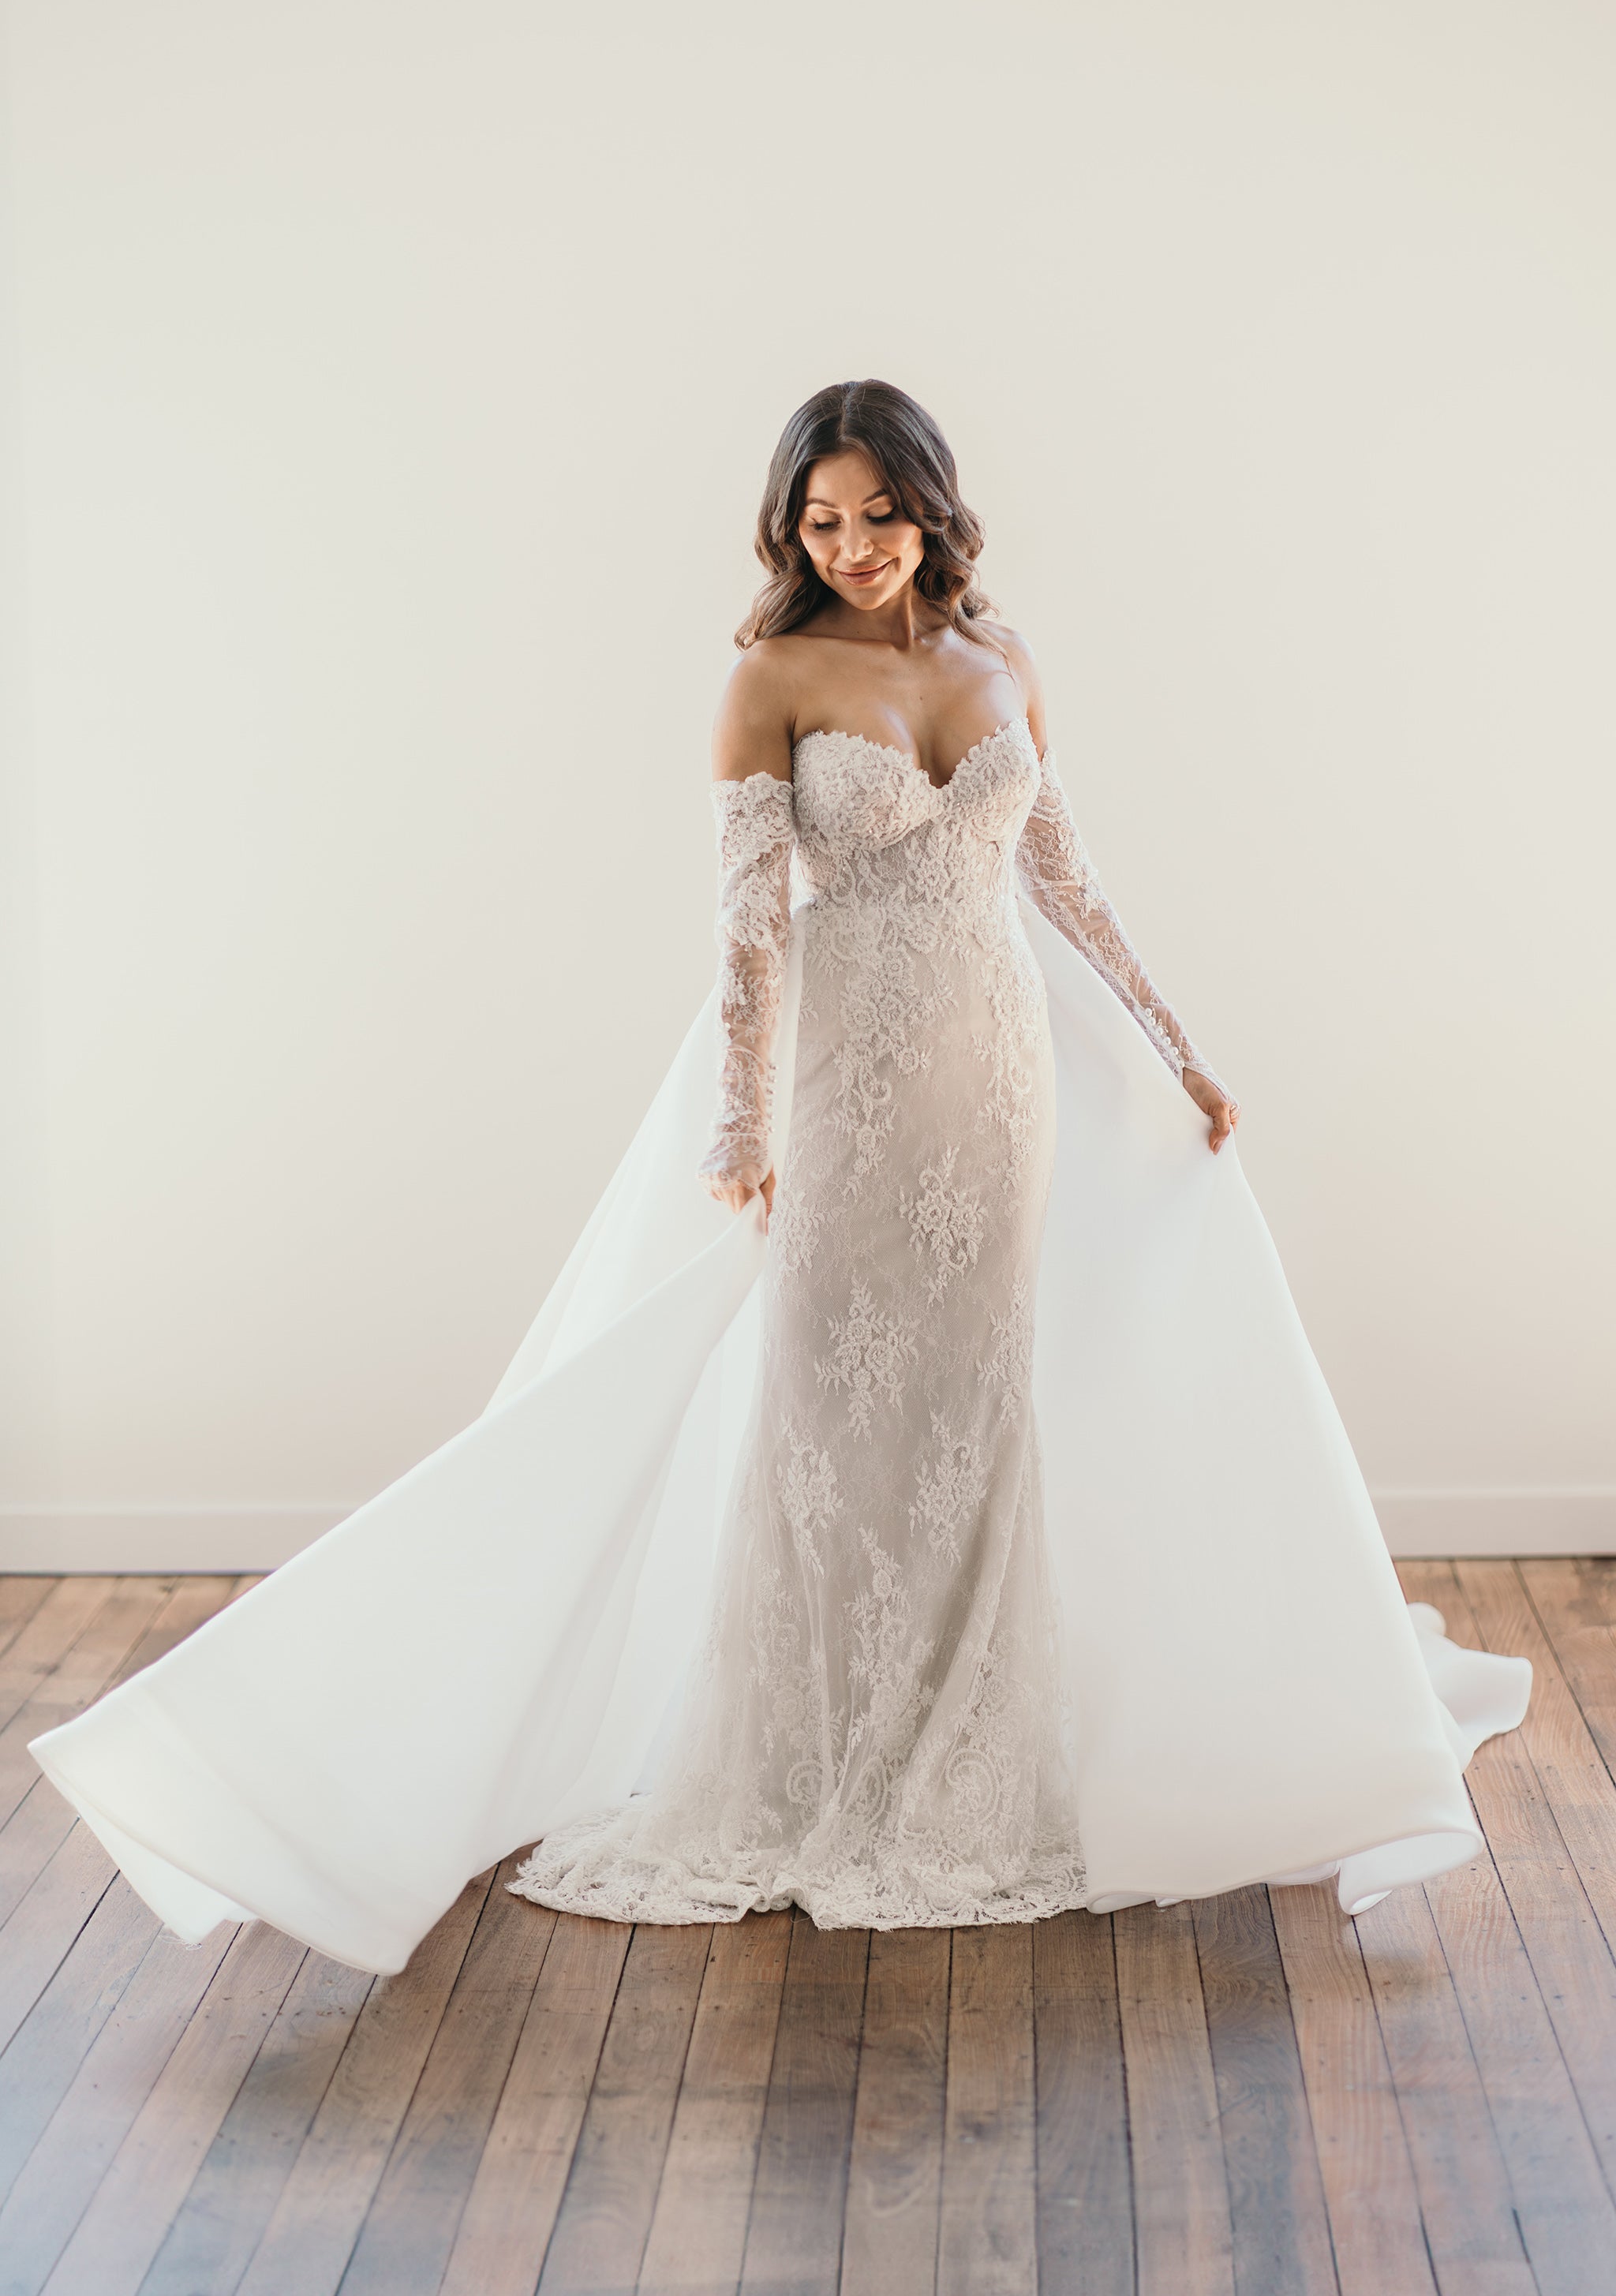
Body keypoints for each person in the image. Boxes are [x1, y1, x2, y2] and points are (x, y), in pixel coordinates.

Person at [30, 381, 1529, 1976]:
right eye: (823, 520)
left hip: (998, 1079)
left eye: (880, 513)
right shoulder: (769, 678)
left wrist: (1174, 1046)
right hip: (849, 1086)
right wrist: (743, 1130)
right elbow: (750, 924)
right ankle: (810, 1758)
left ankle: (970, 1752)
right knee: (829, 1415)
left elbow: (1062, 873)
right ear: (789, 528)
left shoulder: (1002, 656)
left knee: (974, 1411)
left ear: (932, 508)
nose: (856, 544)